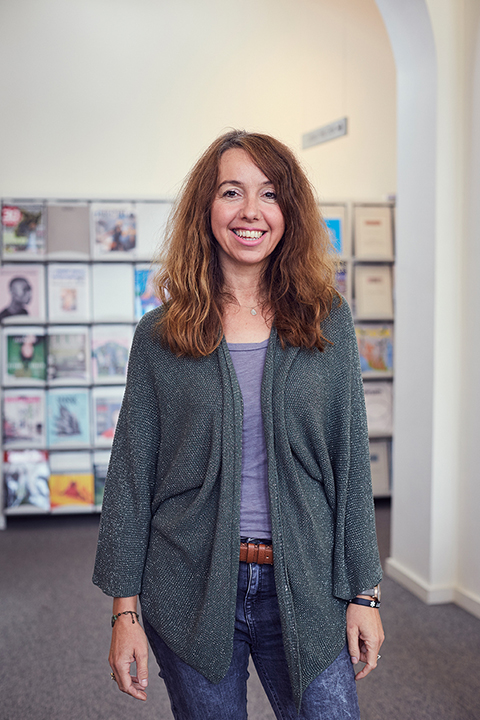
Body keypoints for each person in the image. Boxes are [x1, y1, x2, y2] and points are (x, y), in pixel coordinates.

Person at [93, 130, 384, 719]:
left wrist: (364, 594)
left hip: (308, 583)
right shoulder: (161, 335)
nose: (251, 211)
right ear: (207, 209)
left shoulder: (326, 322)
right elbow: (130, 478)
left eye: (270, 194)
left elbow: (351, 464)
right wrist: (125, 612)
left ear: (289, 213)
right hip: (191, 585)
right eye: (232, 192)